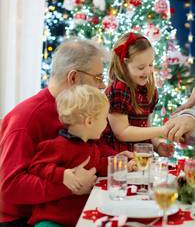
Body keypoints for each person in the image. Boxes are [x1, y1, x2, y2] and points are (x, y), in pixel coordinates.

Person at [0, 39, 106, 226]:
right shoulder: (26, 119)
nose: (103, 85)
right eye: (98, 78)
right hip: (22, 220)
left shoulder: (81, 111)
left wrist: (120, 160)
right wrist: (70, 185)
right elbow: (9, 187)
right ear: (73, 77)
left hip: (61, 209)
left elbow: (87, 150)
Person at [28, 85, 130, 227]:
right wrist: (63, 175)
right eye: (104, 119)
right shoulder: (57, 146)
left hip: (77, 215)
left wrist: (120, 163)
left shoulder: (90, 146)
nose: (106, 124)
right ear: (89, 122)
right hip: (52, 218)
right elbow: (36, 166)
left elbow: (96, 166)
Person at [101, 32, 174, 156]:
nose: (148, 71)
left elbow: (146, 127)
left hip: (142, 158)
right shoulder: (118, 90)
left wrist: (157, 146)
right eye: (141, 68)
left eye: (150, 65)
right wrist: (162, 130)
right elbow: (122, 132)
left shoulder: (149, 90)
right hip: (121, 160)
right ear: (124, 65)